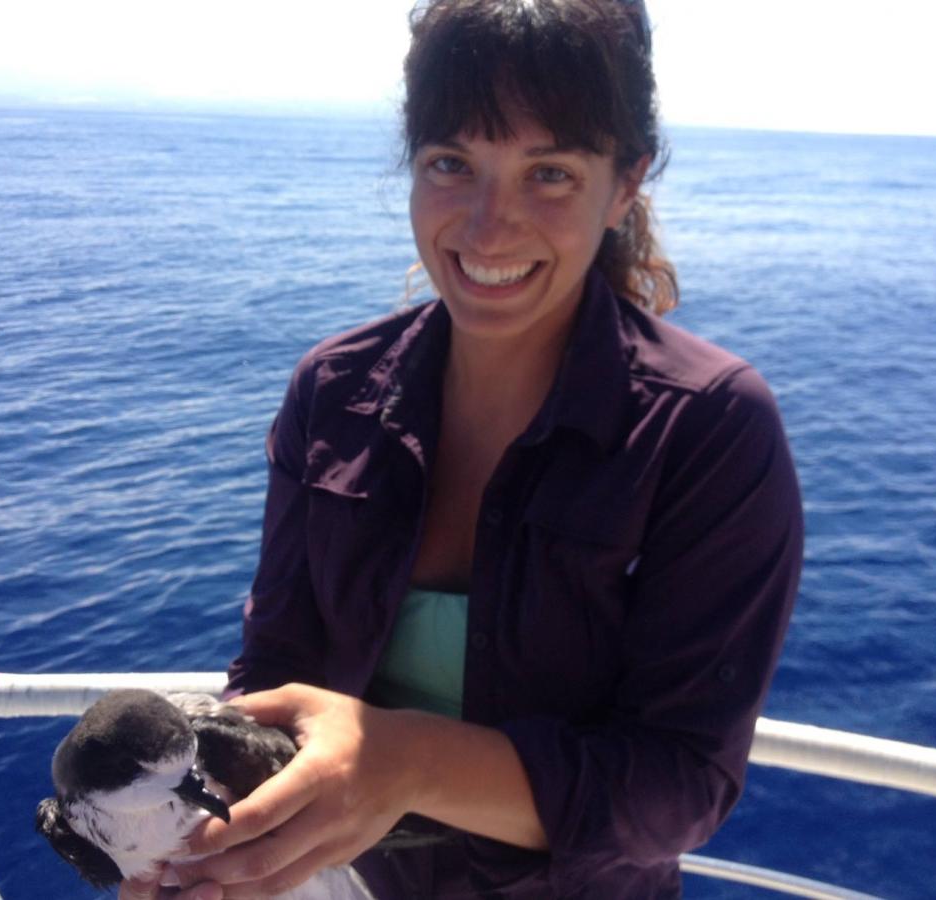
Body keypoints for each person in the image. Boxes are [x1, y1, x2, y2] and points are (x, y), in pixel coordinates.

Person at [120, 1, 802, 897]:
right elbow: (276, 673)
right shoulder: (332, 391)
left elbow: (680, 787)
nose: (487, 228)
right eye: (452, 164)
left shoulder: (709, 429)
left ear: (626, 183)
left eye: (549, 173)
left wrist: (404, 761)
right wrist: (221, 846)